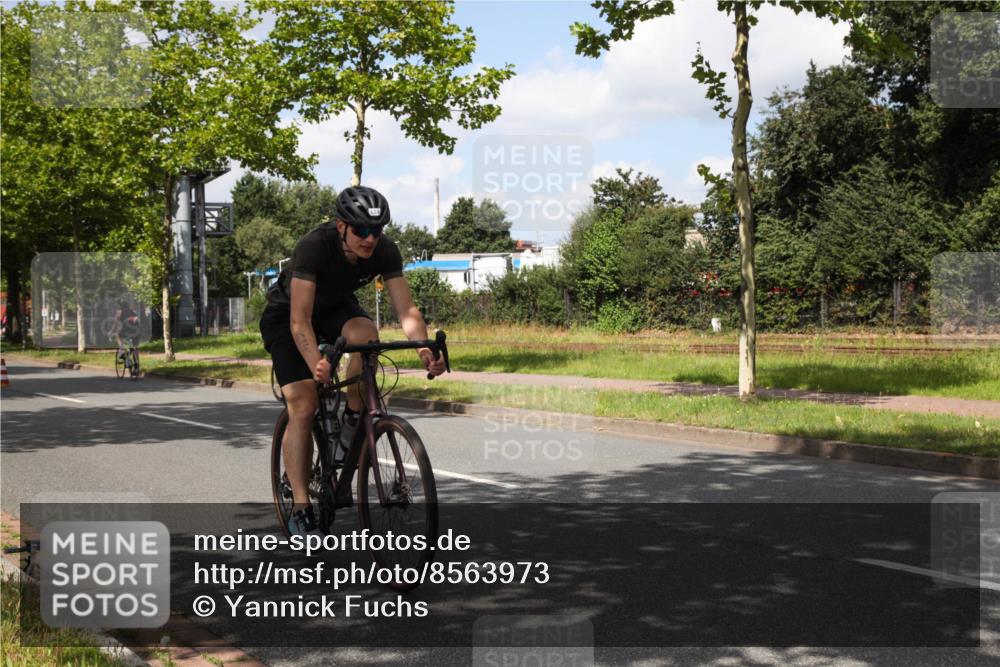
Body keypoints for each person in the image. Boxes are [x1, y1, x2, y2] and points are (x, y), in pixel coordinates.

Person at [260, 185, 445, 537]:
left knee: (366, 333)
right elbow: (300, 321)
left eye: (377, 230)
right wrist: (318, 364)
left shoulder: (386, 250)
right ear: (341, 226)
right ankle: (301, 506)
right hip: (289, 317)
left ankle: (352, 418)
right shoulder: (314, 247)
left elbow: (406, 309)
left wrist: (424, 350)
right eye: (361, 230)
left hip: (335, 310)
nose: (370, 239)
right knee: (303, 402)